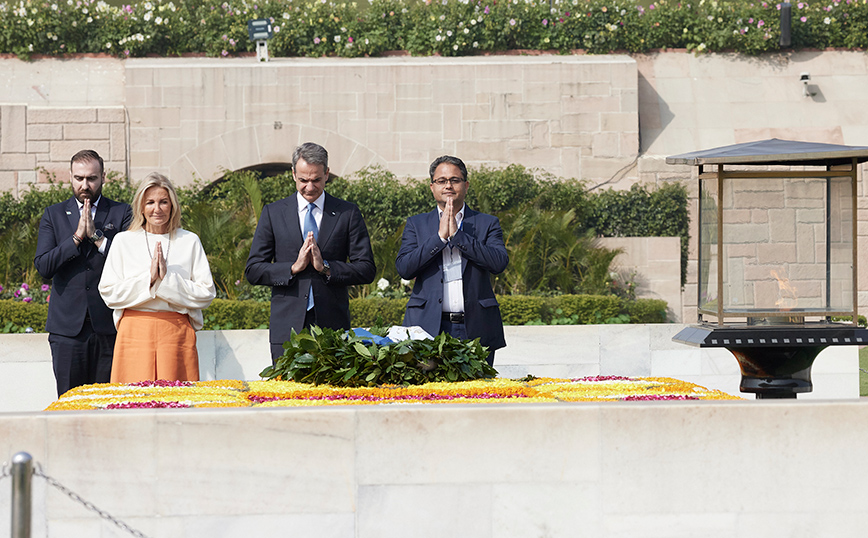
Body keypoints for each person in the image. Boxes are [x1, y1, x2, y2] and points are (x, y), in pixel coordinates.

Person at [245, 142, 376, 361]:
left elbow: (366, 269)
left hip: (333, 328)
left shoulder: (347, 213)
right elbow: (254, 269)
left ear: (326, 174)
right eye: (303, 180)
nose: (309, 187)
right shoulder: (273, 213)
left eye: (316, 180)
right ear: (293, 174)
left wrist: (325, 267)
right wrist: (292, 268)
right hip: (287, 328)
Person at [98, 173, 216, 383]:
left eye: (163, 202)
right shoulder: (123, 241)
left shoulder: (189, 240)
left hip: (176, 332)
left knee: (177, 404)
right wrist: (149, 280)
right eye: (150, 202)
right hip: (133, 333)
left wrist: (166, 280)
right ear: (141, 207)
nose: (157, 209)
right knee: (133, 403)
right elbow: (108, 292)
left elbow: (206, 292)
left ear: (172, 205)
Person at [35, 149, 133, 396]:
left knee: (108, 405)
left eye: (91, 178)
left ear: (103, 177)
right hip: (67, 331)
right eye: (79, 178)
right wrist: (77, 238)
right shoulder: (53, 214)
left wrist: (97, 239)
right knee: (68, 404)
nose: (85, 185)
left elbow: (131, 264)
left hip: (109, 327)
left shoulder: (122, 213)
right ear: (70, 176)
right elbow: (44, 266)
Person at [395, 155, 509, 366]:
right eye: (442, 180)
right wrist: (438, 239)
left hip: (475, 327)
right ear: (432, 187)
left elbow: (498, 262)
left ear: (465, 185)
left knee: (477, 395)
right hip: (427, 327)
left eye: (454, 180)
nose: (448, 185)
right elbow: (404, 268)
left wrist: (459, 237)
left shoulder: (486, 223)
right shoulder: (416, 224)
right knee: (429, 394)